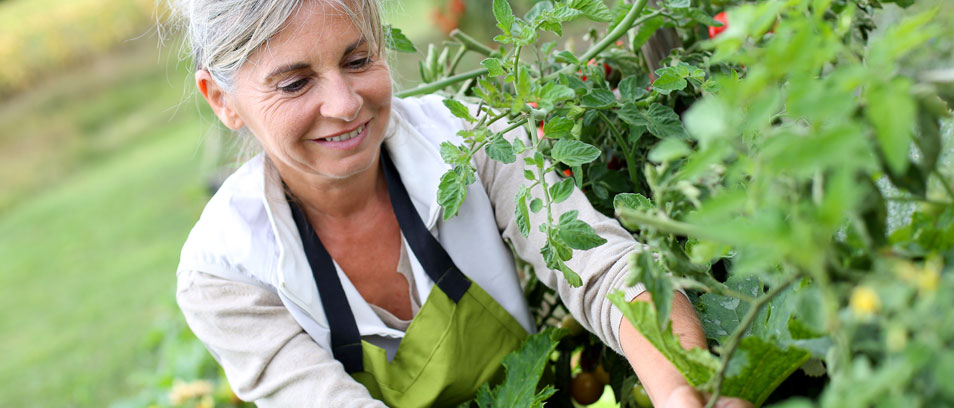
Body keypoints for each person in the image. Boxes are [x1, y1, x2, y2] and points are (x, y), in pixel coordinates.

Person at [172, 0, 753, 406]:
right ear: (221, 99)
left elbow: (604, 273)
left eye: (358, 60)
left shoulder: (473, 140)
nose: (345, 104)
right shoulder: (224, 273)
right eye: (295, 83)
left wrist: (680, 392)